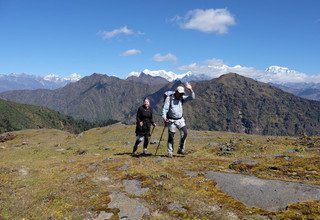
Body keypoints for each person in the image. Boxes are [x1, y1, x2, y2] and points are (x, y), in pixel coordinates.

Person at [162, 82, 195, 158]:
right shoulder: (169, 98)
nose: (181, 95)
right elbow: (165, 109)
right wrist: (164, 118)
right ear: (176, 92)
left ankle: (181, 149)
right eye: (180, 93)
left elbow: (192, 97)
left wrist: (191, 90)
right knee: (171, 136)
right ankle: (170, 152)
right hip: (171, 121)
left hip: (180, 119)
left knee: (185, 133)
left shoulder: (181, 98)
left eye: (182, 94)